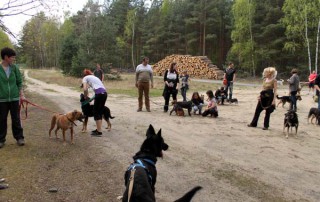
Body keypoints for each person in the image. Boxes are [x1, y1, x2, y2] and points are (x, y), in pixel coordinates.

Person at [0, 47, 25, 148]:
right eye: (12, 57)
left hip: (14, 98)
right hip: (1, 100)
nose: (14, 59)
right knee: (1, 120)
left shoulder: (14, 68)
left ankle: (19, 138)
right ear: (6, 57)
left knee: (16, 119)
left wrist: (21, 95)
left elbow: (19, 82)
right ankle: (1, 140)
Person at [82, 69, 107, 136]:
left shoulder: (85, 78)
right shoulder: (94, 77)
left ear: (84, 75)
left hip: (99, 94)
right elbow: (90, 87)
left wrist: (85, 96)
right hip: (104, 93)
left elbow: (85, 89)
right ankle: (98, 129)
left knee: (96, 112)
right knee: (100, 112)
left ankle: (99, 132)